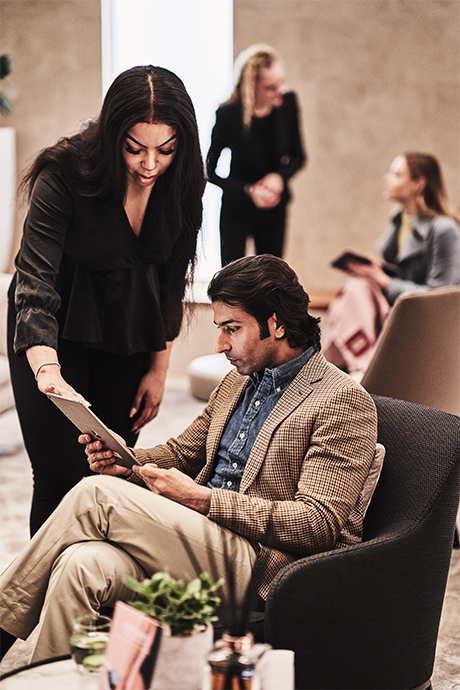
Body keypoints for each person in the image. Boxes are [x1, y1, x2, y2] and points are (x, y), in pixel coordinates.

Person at [0, 255, 378, 663]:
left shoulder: (341, 399)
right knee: (80, 564)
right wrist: (126, 461)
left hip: (261, 565)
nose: (220, 345)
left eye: (232, 329)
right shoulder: (237, 382)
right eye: (220, 329)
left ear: (277, 324)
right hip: (199, 539)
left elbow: (316, 524)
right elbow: (183, 452)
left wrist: (200, 499)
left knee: (95, 496)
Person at [7, 65, 205, 535]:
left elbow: (170, 281)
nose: (150, 164)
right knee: (58, 477)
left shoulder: (182, 184)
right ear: (113, 136)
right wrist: (49, 372)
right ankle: (44, 601)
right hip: (54, 334)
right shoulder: (64, 173)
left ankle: (94, 591)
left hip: (130, 330)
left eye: (166, 149)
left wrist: (159, 370)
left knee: (108, 474)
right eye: (135, 148)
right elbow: (35, 283)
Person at [322, 152, 460, 373]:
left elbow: (443, 295)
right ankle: (347, 365)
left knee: (358, 290)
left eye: (396, 174)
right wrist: (374, 271)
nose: (387, 179)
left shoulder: (444, 229)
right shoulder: (399, 218)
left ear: (418, 184)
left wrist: (383, 281)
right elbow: (401, 270)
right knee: (357, 287)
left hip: (426, 323)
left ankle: (355, 365)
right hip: (396, 312)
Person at [206, 45, 306, 265]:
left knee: (271, 279)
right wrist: (248, 191)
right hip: (236, 208)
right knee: (231, 279)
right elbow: (208, 170)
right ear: (251, 88)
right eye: (271, 87)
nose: (280, 90)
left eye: (281, 82)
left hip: (274, 207)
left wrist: (279, 177)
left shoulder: (287, 104)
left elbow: (298, 156)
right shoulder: (228, 114)